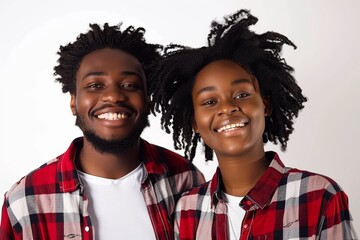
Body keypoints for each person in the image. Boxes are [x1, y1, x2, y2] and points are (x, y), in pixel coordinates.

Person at [149, 9, 358, 239]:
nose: (227, 107)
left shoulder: (319, 195)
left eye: (241, 95)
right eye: (209, 101)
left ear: (265, 105)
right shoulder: (187, 210)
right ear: (195, 123)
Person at [0, 23, 205, 240]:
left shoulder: (185, 180)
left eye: (129, 84)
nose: (113, 96)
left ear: (147, 100)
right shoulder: (26, 199)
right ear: (73, 102)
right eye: (95, 85)